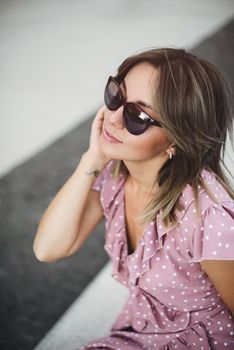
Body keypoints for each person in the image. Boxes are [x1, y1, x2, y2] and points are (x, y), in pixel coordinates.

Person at [33, 47, 234, 349]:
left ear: (177, 139)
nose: (112, 118)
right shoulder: (115, 176)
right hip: (139, 334)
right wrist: (92, 158)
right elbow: (49, 248)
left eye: (138, 116)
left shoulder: (208, 217)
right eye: (115, 95)